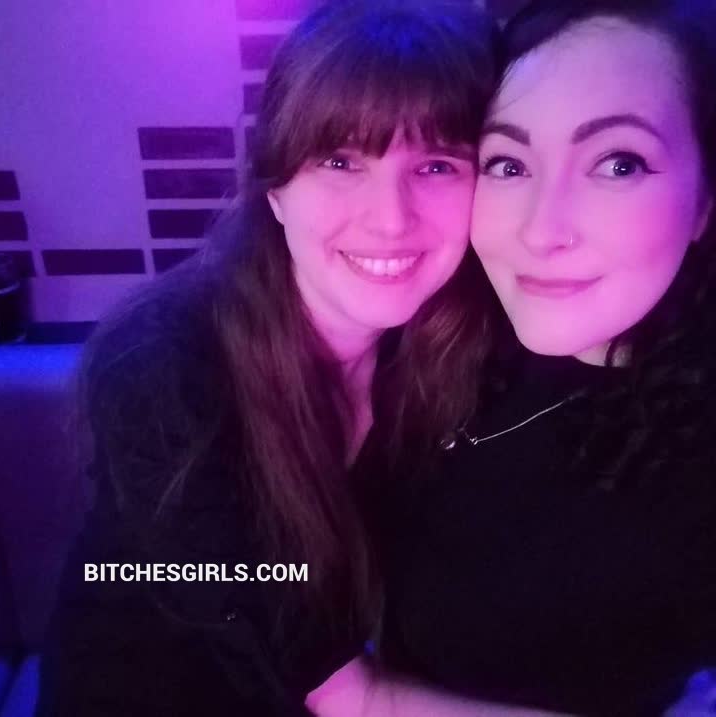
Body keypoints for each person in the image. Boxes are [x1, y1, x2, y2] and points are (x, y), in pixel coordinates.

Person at [35, 1, 498, 715]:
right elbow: (349, 698)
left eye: (436, 165)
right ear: (276, 189)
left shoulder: (439, 348)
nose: (391, 218)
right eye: (341, 161)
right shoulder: (164, 364)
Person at [311, 0, 716, 715]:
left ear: (705, 201)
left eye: (618, 163)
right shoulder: (439, 324)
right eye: (508, 163)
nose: (541, 230)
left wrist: (369, 699)